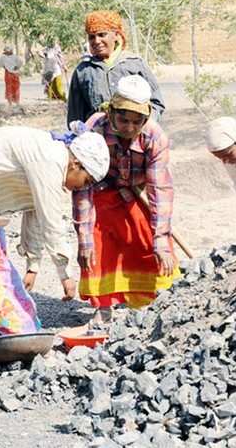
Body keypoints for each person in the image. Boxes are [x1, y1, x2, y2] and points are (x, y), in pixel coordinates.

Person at [0, 125, 109, 335]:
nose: (82, 188)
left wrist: (33, 266)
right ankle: (19, 333)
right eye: (86, 181)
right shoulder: (49, 161)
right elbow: (51, 223)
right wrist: (66, 275)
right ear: (76, 164)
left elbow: (35, 213)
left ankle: (5, 328)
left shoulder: (53, 160)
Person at [73, 75, 180, 326]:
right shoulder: (94, 130)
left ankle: (152, 300)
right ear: (111, 112)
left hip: (137, 188)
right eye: (123, 119)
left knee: (144, 239)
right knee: (98, 242)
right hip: (99, 187)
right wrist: (84, 241)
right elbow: (82, 190)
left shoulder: (154, 137)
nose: (130, 128)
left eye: (137, 122)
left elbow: (160, 190)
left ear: (146, 119)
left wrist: (162, 240)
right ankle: (103, 305)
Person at [67, 10, 166, 126]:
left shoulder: (135, 64)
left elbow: (156, 103)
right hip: (99, 140)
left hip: (135, 139)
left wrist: (142, 127)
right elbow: (75, 117)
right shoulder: (83, 71)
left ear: (116, 35)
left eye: (102, 35)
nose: (96, 41)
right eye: (91, 37)